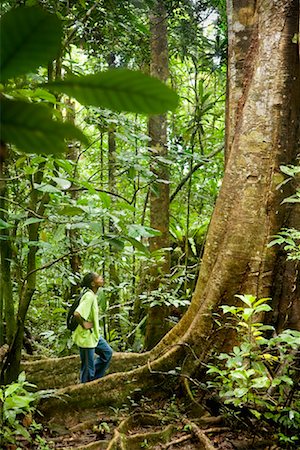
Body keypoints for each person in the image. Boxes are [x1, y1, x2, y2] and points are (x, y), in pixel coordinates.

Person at [72, 272, 113, 383]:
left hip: (93, 335)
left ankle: (94, 380)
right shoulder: (89, 296)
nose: (101, 278)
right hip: (86, 337)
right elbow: (77, 313)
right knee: (87, 368)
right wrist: (84, 324)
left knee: (107, 353)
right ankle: (85, 387)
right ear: (93, 283)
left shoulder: (92, 295)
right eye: (98, 278)